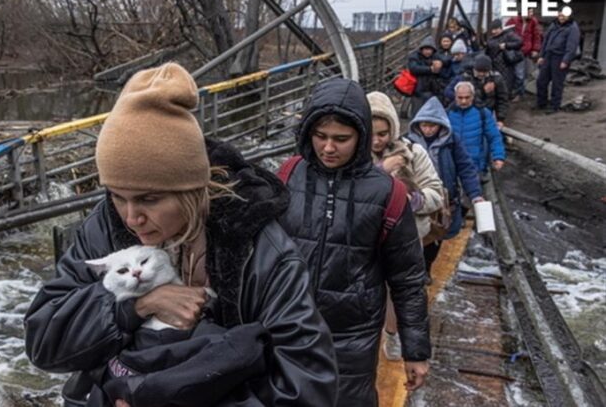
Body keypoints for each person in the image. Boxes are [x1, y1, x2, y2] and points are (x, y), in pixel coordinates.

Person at [24, 63, 338, 407]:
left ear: (190, 191)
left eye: (149, 199)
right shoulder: (104, 225)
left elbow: (308, 389)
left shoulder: (262, 252)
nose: (131, 218)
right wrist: (135, 308)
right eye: (117, 195)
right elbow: (44, 343)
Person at [278, 78, 430, 407]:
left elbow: (408, 280)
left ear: (360, 137)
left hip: (352, 335)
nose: (328, 148)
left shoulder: (388, 194)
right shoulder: (290, 174)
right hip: (287, 324)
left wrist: (415, 352)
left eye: (341, 139)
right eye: (320, 136)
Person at [367, 91, 444, 362]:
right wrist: (382, 171)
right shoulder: (351, 157)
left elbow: (436, 192)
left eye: (383, 133)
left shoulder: (413, 153)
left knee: (396, 290)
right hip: (365, 238)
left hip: (406, 236)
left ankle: (392, 334)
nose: (377, 141)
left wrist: (410, 201)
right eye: (371, 133)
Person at [406, 97, 484, 278]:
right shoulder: (408, 142)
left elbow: (465, 167)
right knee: (414, 234)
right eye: (424, 125)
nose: (428, 129)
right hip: (416, 197)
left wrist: (475, 194)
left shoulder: (451, 142)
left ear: (440, 125)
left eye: (432, 126)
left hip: (442, 198)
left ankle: (426, 268)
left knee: (436, 234)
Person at [446, 81, 506, 174]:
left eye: (467, 97)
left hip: (474, 165)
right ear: (455, 96)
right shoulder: (447, 113)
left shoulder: (483, 113)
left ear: (473, 96)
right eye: (460, 98)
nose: (463, 101)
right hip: (452, 164)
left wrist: (498, 156)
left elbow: (494, 136)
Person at [444, 55, 510, 124]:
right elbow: (448, 91)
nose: (481, 74)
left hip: (487, 114)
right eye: (479, 71)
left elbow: (502, 99)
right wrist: (463, 97)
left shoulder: (496, 79)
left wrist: (500, 119)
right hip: (468, 113)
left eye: (484, 72)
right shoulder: (465, 76)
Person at [537, 12, 581, 114]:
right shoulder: (554, 25)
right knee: (541, 80)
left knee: (557, 83)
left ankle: (554, 106)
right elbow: (546, 41)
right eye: (560, 15)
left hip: (560, 57)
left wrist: (566, 60)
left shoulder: (573, 28)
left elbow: (572, 46)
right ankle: (541, 103)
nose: (561, 17)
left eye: (563, 16)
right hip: (548, 55)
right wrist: (541, 55)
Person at [506, 7, 542, 99]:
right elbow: (505, 32)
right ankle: (509, 92)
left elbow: (536, 36)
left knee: (520, 74)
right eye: (529, 12)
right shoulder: (513, 20)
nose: (531, 14)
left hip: (523, 52)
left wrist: (535, 49)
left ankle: (518, 94)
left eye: (532, 12)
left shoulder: (533, 22)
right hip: (512, 50)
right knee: (509, 73)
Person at [408, 35, 448, 112]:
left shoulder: (436, 56)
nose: (428, 52)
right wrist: (430, 69)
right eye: (426, 49)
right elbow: (414, 68)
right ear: (421, 49)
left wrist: (441, 63)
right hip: (418, 90)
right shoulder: (414, 56)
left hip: (433, 89)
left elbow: (447, 60)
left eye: (430, 49)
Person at [485, 19, 523, 96]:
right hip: (495, 65)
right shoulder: (490, 39)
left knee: (509, 82)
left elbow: (519, 42)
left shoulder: (509, 35)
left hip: (507, 63)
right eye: (492, 30)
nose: (494, 32)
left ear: (500, 28)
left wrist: (506, 45)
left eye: (496, 29)